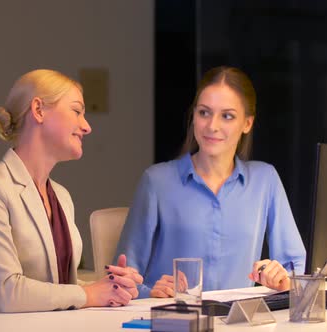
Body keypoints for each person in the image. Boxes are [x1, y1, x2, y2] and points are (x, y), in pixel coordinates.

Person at [0, 69, 143, 315]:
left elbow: (58, 289)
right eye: (77, 111)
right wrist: (89, 293)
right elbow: (8, 293)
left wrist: (111, 288)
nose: (86, 127)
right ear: (39, 110)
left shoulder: (61, 196)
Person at [114, 66, 306, 299]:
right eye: (204, 112)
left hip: (237, 322)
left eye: (227, 116)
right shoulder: (156, 181)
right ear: (193, 116)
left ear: (247, 123)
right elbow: (122, 279)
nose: (212, 126)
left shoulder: (265, 180)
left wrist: (280, 280)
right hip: (173, 319)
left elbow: (294, 270)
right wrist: (150, 292)